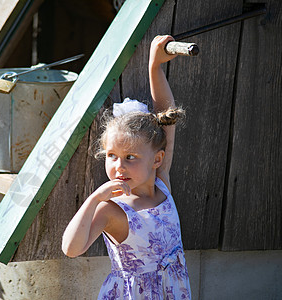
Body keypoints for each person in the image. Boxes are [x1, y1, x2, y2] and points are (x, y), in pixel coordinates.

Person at [62, 35, 191, 299]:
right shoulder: (112, 210)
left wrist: (154, 67)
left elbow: (168, 119)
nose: (119, 166)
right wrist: (95, 198)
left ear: (156, 159)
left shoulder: (161, 184)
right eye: (112, 155)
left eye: (130, 157)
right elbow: (71, 249)